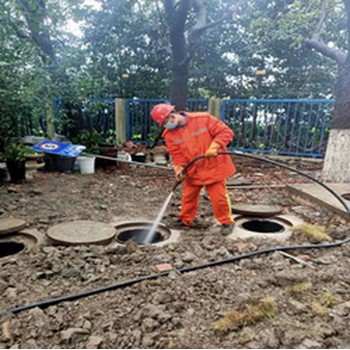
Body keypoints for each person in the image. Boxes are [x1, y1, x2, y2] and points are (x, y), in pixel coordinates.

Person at [150, 103, 237, 235]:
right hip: (193, 169)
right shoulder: (169, 135)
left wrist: (215, 146)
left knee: (218, 197)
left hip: (213, 166)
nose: (166, 125)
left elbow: (226, 132)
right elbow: (177, 155)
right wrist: (179, 169)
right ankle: (185, 220)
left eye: (166, 121)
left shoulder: (203, 119)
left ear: (172, 115)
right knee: (188, 197)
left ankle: (226, 222)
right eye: (163, 123)